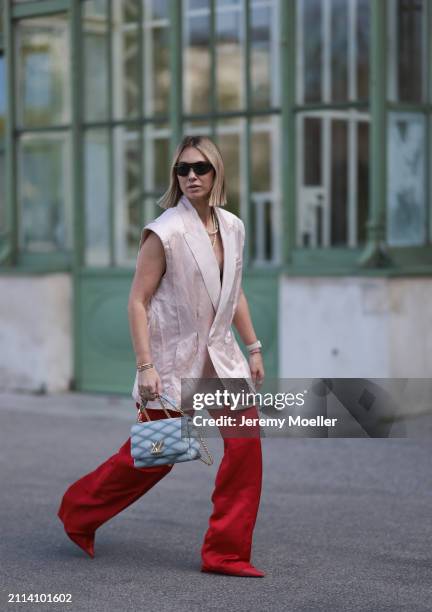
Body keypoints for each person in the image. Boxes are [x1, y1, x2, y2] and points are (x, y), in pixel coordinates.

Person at [57, 135, 266, 578]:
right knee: (155, 459)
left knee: (246, 449)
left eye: (200, 168)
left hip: (221, 360)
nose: (191, 176)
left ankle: (225, 554)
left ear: (216, 173)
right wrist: (145, 365)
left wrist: (253, 347)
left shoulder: (233, 227)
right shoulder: (164, 231)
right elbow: (137, 300)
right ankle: (78, 511)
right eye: (182, 169)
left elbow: (233, 292)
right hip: (172, 362)